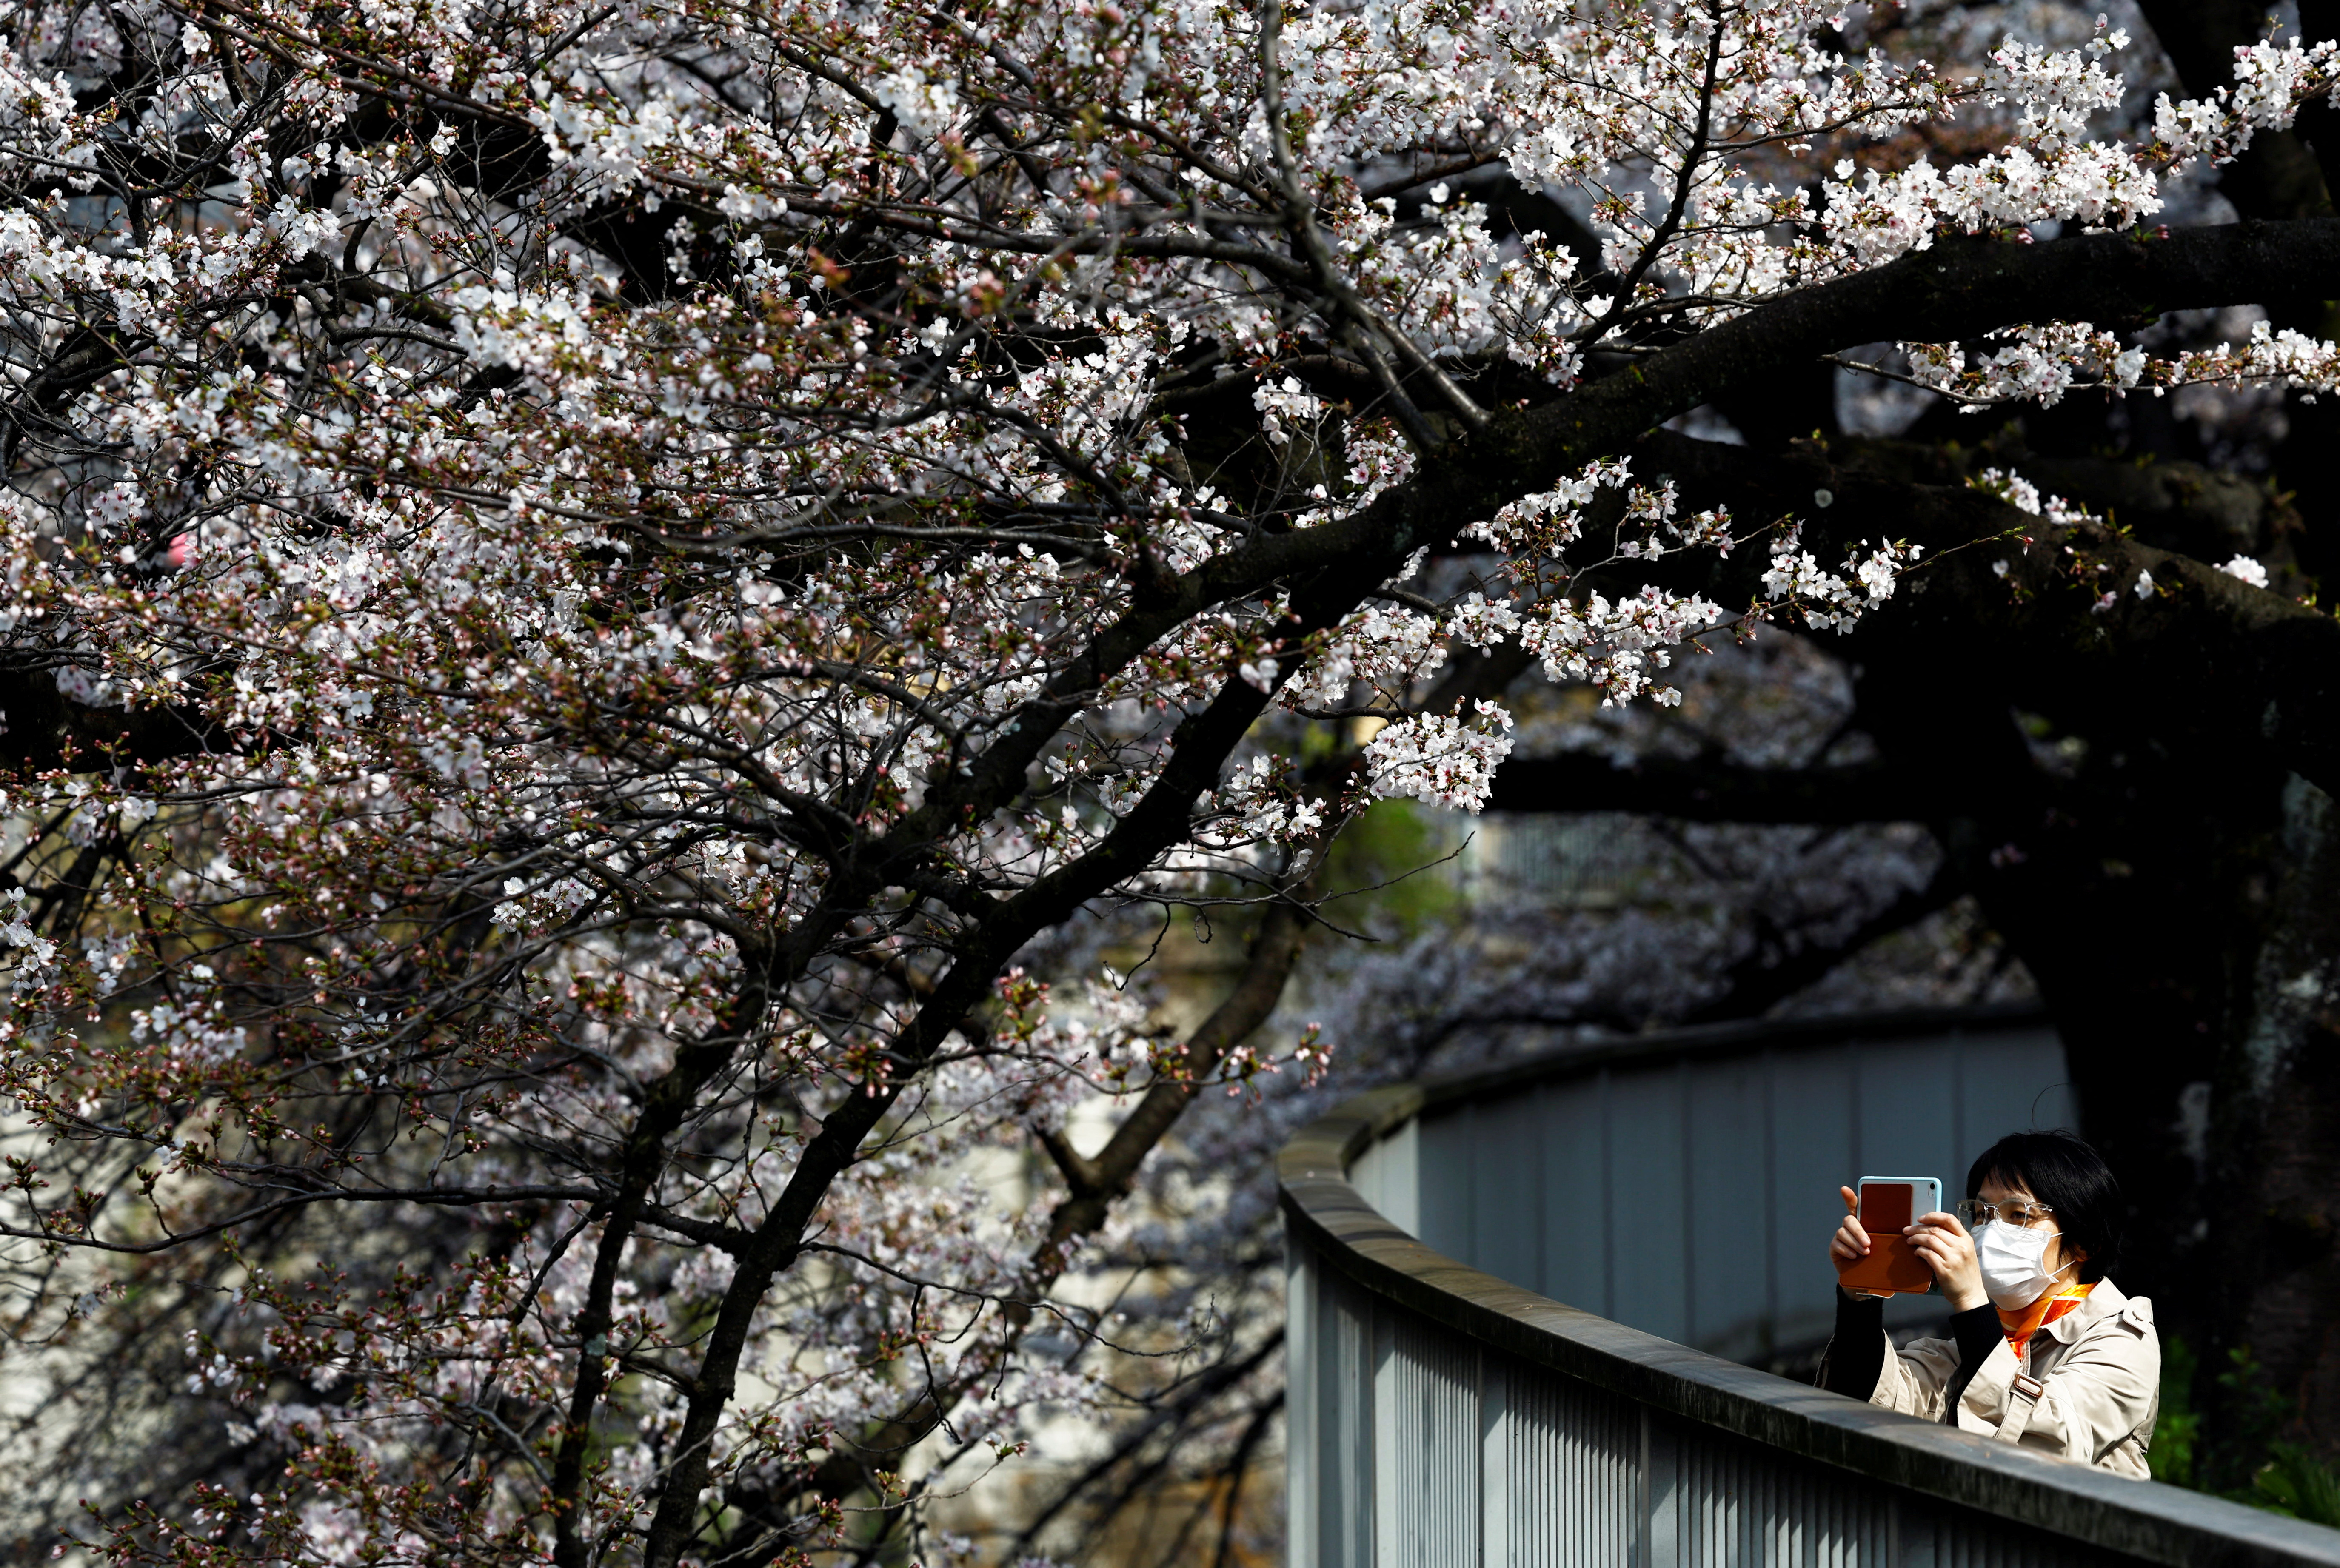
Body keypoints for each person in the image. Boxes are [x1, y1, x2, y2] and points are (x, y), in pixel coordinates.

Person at [1817, 1129, 2161, 1476]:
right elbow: (1866, 1400)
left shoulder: (2122, 1339)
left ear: (2084, 1242)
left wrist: (1970, 1301)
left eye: (2019, 1215)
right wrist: (1861, 1294)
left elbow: (2053, 1445)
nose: (1991, 1231)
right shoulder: (1969, 1342)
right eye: (1982, 1214)